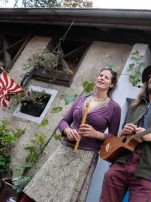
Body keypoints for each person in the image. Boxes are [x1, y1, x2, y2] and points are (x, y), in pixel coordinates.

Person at [20, 67, 121, 202]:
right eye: (100, 75)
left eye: (106, 77)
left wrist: (96, 134)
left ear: (112, 84)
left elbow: (113, 138)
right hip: (65, 149)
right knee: (42, 184)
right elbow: (64, 121)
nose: (101, 78)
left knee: (65, 194)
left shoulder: (114, 108)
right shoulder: (82, 99)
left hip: (84, 157)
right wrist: (68, 131)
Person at [99, 64, 151, 202]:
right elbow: (122, 137)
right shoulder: (135, 106)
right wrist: (124, 131)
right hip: (122, 162)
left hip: (147, 169)